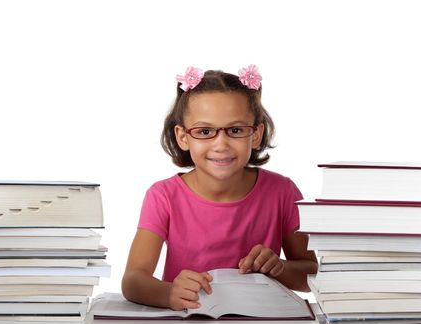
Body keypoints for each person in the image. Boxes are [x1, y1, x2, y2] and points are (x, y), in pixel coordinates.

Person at [121, 65, 318, 311]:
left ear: (256, 134)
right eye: (205, 131)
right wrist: (169, 293)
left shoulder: (283, 192)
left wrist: (280, 267)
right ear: (183, 137)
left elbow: (312, 275)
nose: (221, 144)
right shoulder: (163, 196)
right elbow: (133, 280)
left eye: (235, 130)